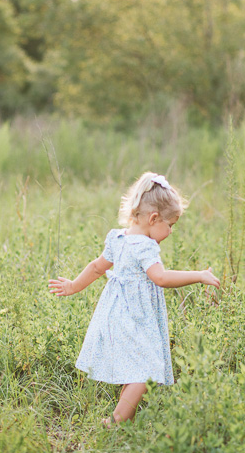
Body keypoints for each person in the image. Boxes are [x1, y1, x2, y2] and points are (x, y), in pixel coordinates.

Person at [48, 171, 220, 428]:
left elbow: (96, 267)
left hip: (116, 315)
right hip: (135, 318)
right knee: (147, 370)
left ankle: (124, 418)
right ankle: (116, 422)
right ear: (153, 218)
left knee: (137, 368)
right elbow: (160, 277)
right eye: (170, 225)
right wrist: (198, 275)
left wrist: (74, 285)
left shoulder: (118, 238)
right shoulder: (145, 246)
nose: (170, 232)